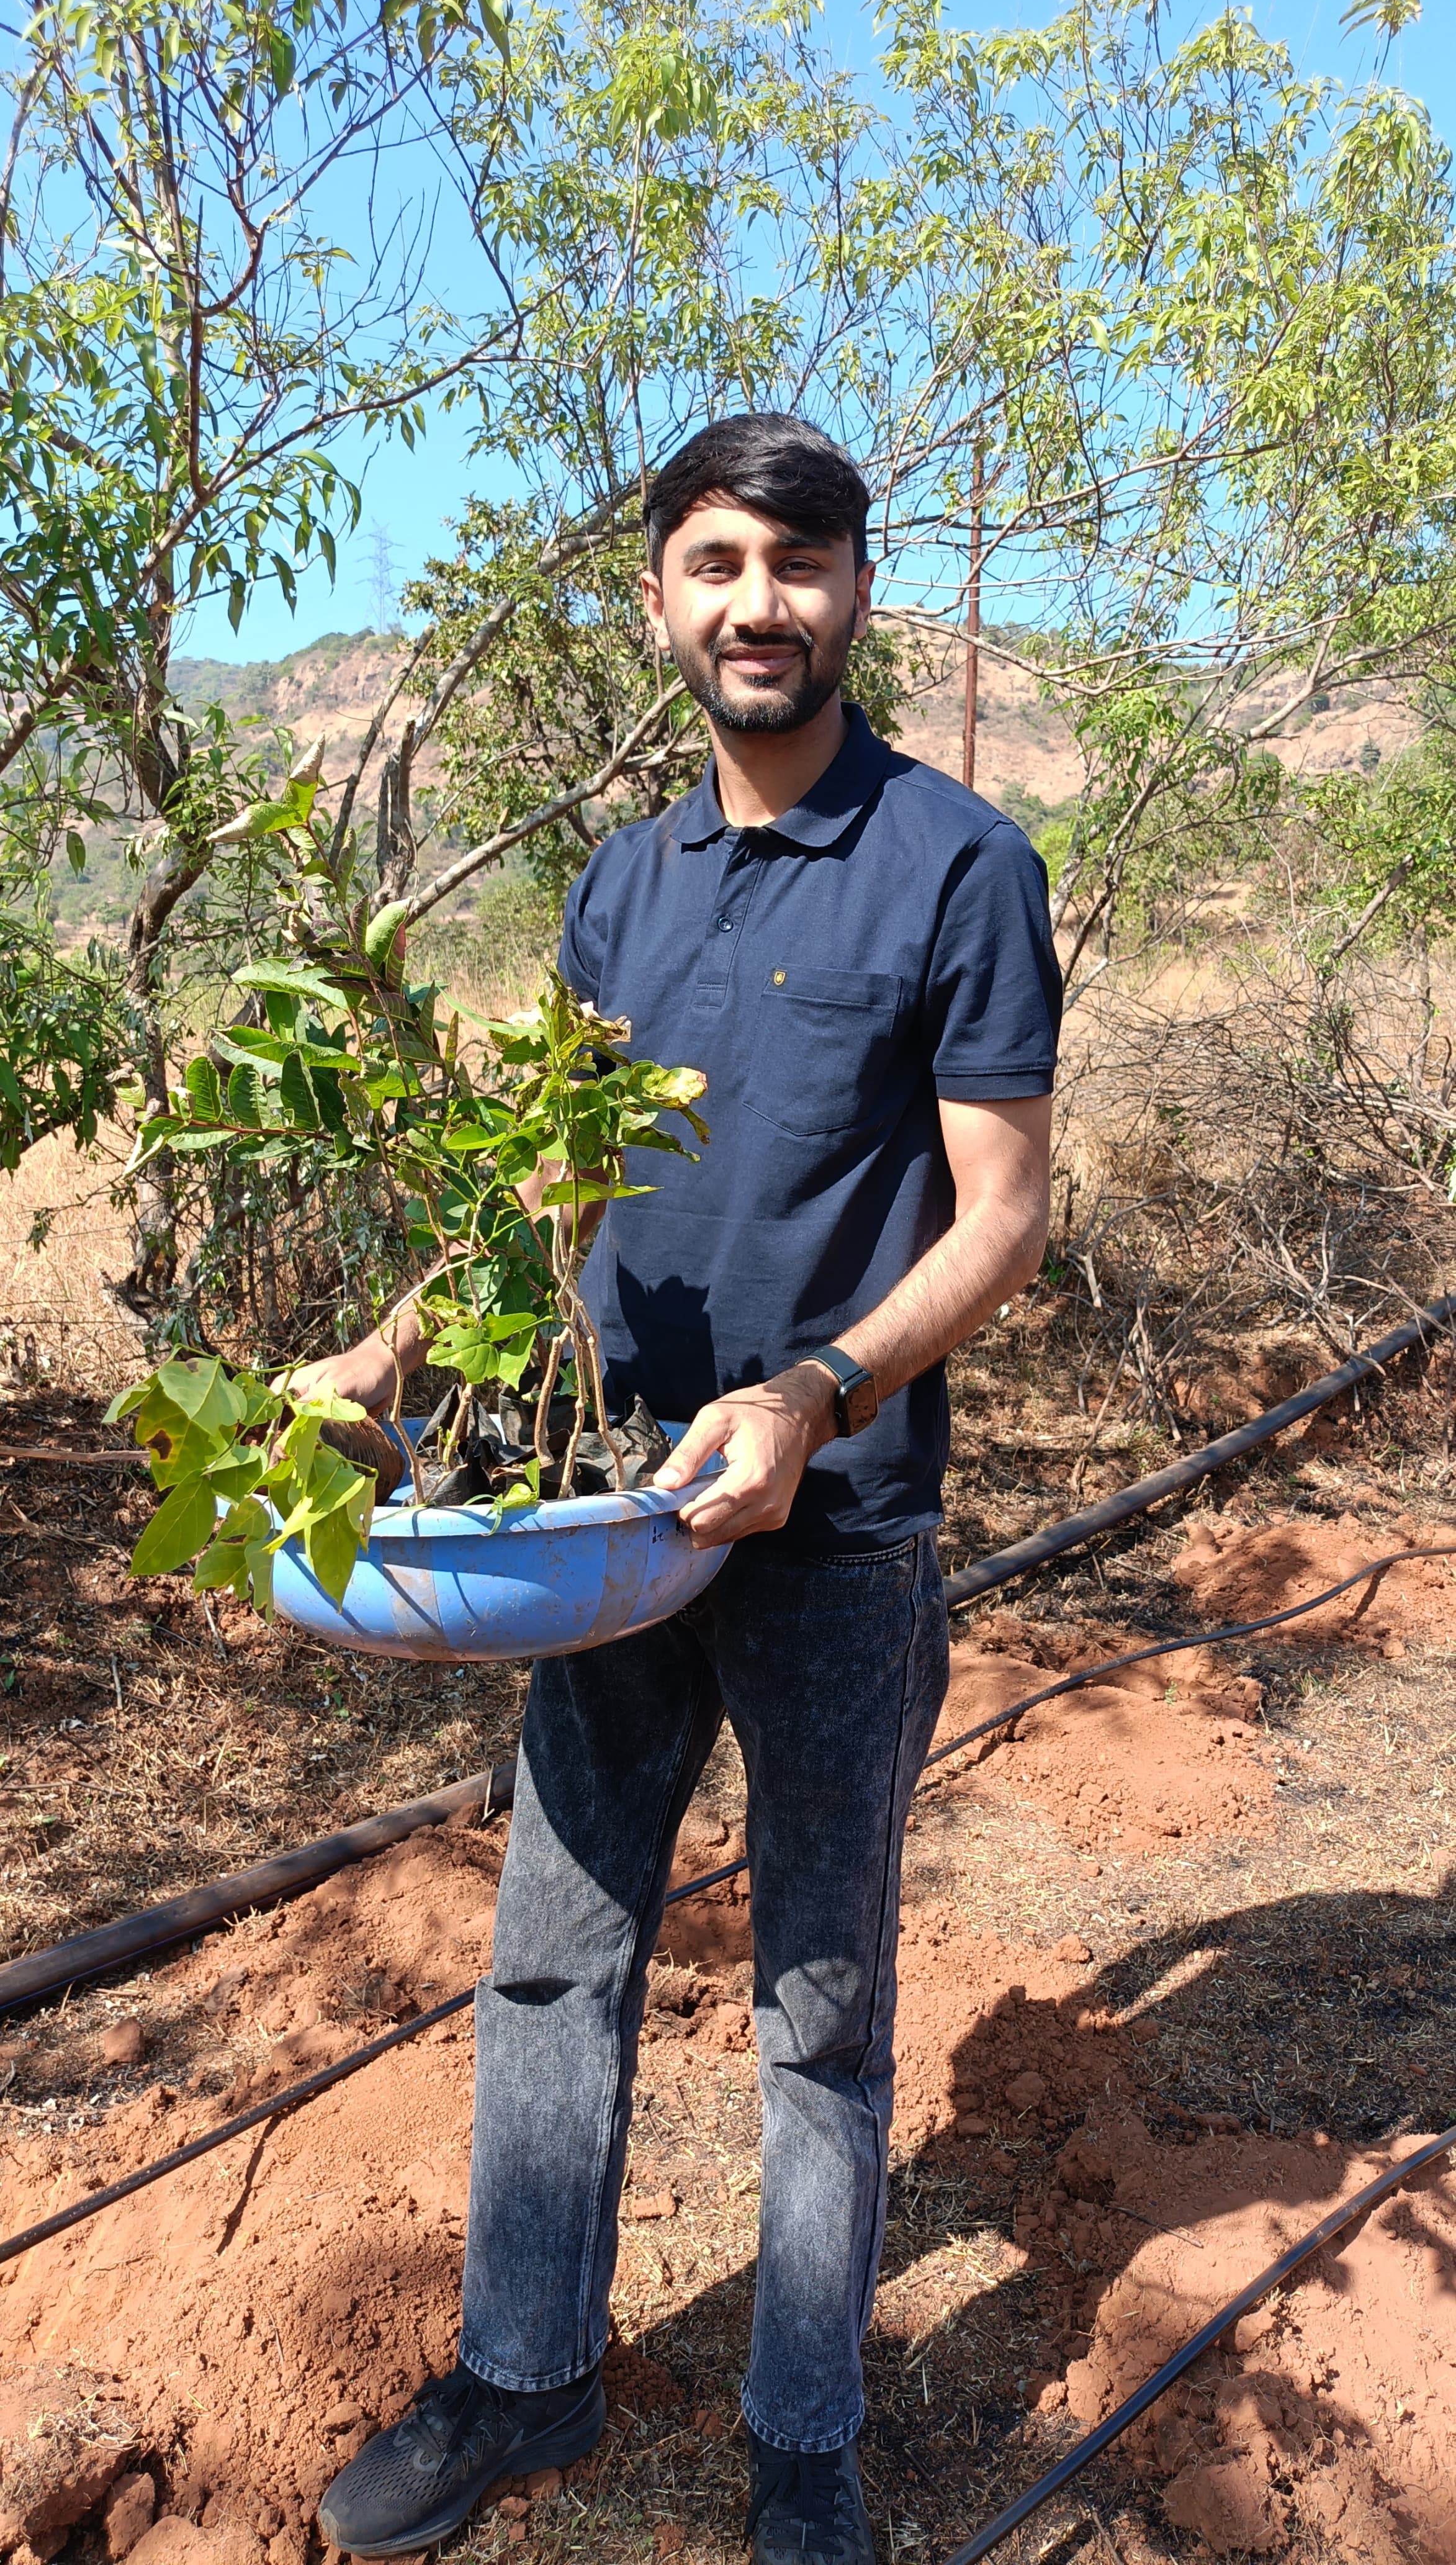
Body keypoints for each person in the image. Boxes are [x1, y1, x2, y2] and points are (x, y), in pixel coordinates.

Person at [308, 413, 1061, 2565]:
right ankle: (523, 2376)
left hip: (835, 1531)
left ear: (856, 591)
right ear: (657, 599)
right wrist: (382, 1362)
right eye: (717, 562)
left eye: (799, 562)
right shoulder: (620, 884)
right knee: (553, 1957)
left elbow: (1002, 1215)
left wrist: (815, 1396)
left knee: (819, 2000)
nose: (759, 603)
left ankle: (802, 2440)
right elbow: (539, 1196)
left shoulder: (957, 866)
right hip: (611, 1528)